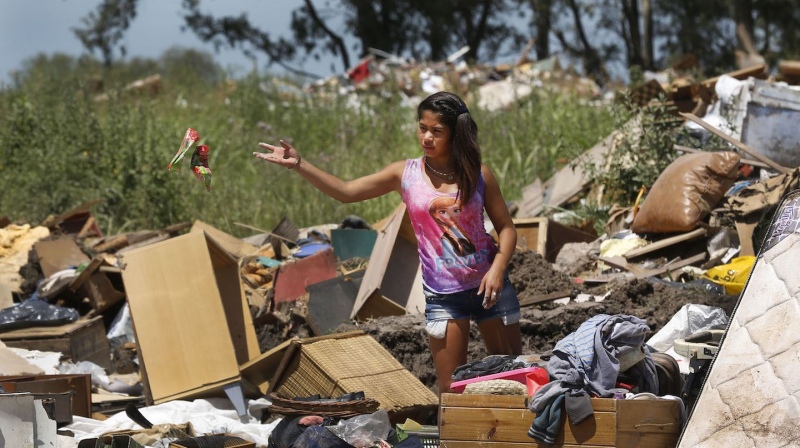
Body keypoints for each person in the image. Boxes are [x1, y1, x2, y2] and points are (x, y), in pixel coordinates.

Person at [253, 91, 522, 395]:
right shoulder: (404, 174)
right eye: (422, 128)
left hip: (490, 288)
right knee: (451, 389)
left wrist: (498, 269)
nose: (427, 137)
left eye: (436, 131)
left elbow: (507, 229)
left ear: (455, 133)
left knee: (513, 377)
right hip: (445, 295)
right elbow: (346, 191)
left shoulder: (479, 175)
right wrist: (300, 163)